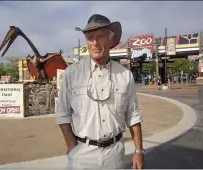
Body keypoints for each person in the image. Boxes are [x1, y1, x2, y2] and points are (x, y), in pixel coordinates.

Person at [56, 14, 144, 169]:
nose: (95, 43)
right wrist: (71, 146)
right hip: (81, 155)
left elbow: (133, 115)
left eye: (100, 36)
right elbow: (63, 113)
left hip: (115, 155)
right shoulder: (72, 74)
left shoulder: (125, 75)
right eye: (90, 38)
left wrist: (138, 150)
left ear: (111, 39)